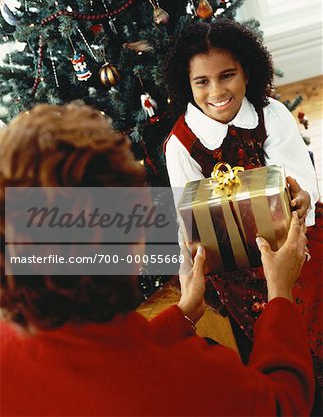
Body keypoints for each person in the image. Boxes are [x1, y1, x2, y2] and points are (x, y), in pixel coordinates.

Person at [0, 103, 315, 416]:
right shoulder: (190, 379)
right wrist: (280, 293)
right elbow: (282, 403)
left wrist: (183, 314)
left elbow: (97, 358)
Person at [163, 19, 322, 395]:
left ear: (247, 73)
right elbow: (188, 219)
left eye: (227, 75)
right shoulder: (182, 143)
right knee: (272, 329)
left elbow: (303, 180)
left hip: (297, 238)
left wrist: (302, 201)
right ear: (188, 85)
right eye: (202, 82)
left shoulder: (272, 115)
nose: (216, 91)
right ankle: (292, 383)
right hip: (238, 267)